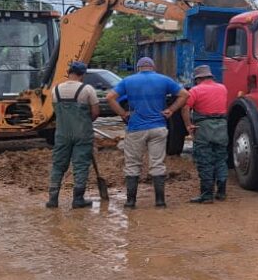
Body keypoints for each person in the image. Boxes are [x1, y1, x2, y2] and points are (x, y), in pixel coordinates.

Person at [106, 57, 189, 209]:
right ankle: (160, 201)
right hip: (158, 127)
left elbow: (110, 97)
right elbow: (184, 94)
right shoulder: (164, 80)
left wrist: (123, 114)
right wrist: (171, 110)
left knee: (132, 164)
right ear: (153, 67)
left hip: (136, 128)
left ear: (138, 67)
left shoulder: (128, 81)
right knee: (157, 164)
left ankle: (131, 202)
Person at [46, 61, 100, 209]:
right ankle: (78, 199)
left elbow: (56, 112)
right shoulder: (87, 89)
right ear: (82, 75)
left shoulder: (55, 90)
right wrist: (85, 121)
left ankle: (53, 199)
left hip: (62, 134)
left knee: (58, 165)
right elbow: (95, 112)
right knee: (81, 165)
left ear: (69, 73)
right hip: (82, 133)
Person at [181, 65, 229, 203]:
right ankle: (221, 192)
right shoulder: (222, 88)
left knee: (205, 161)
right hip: (221, 126)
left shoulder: (195, 90)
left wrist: (188, 125)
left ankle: (207, 195)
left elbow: (185, 108)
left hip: (203, 127)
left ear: (198, 78)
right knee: (220, 159)